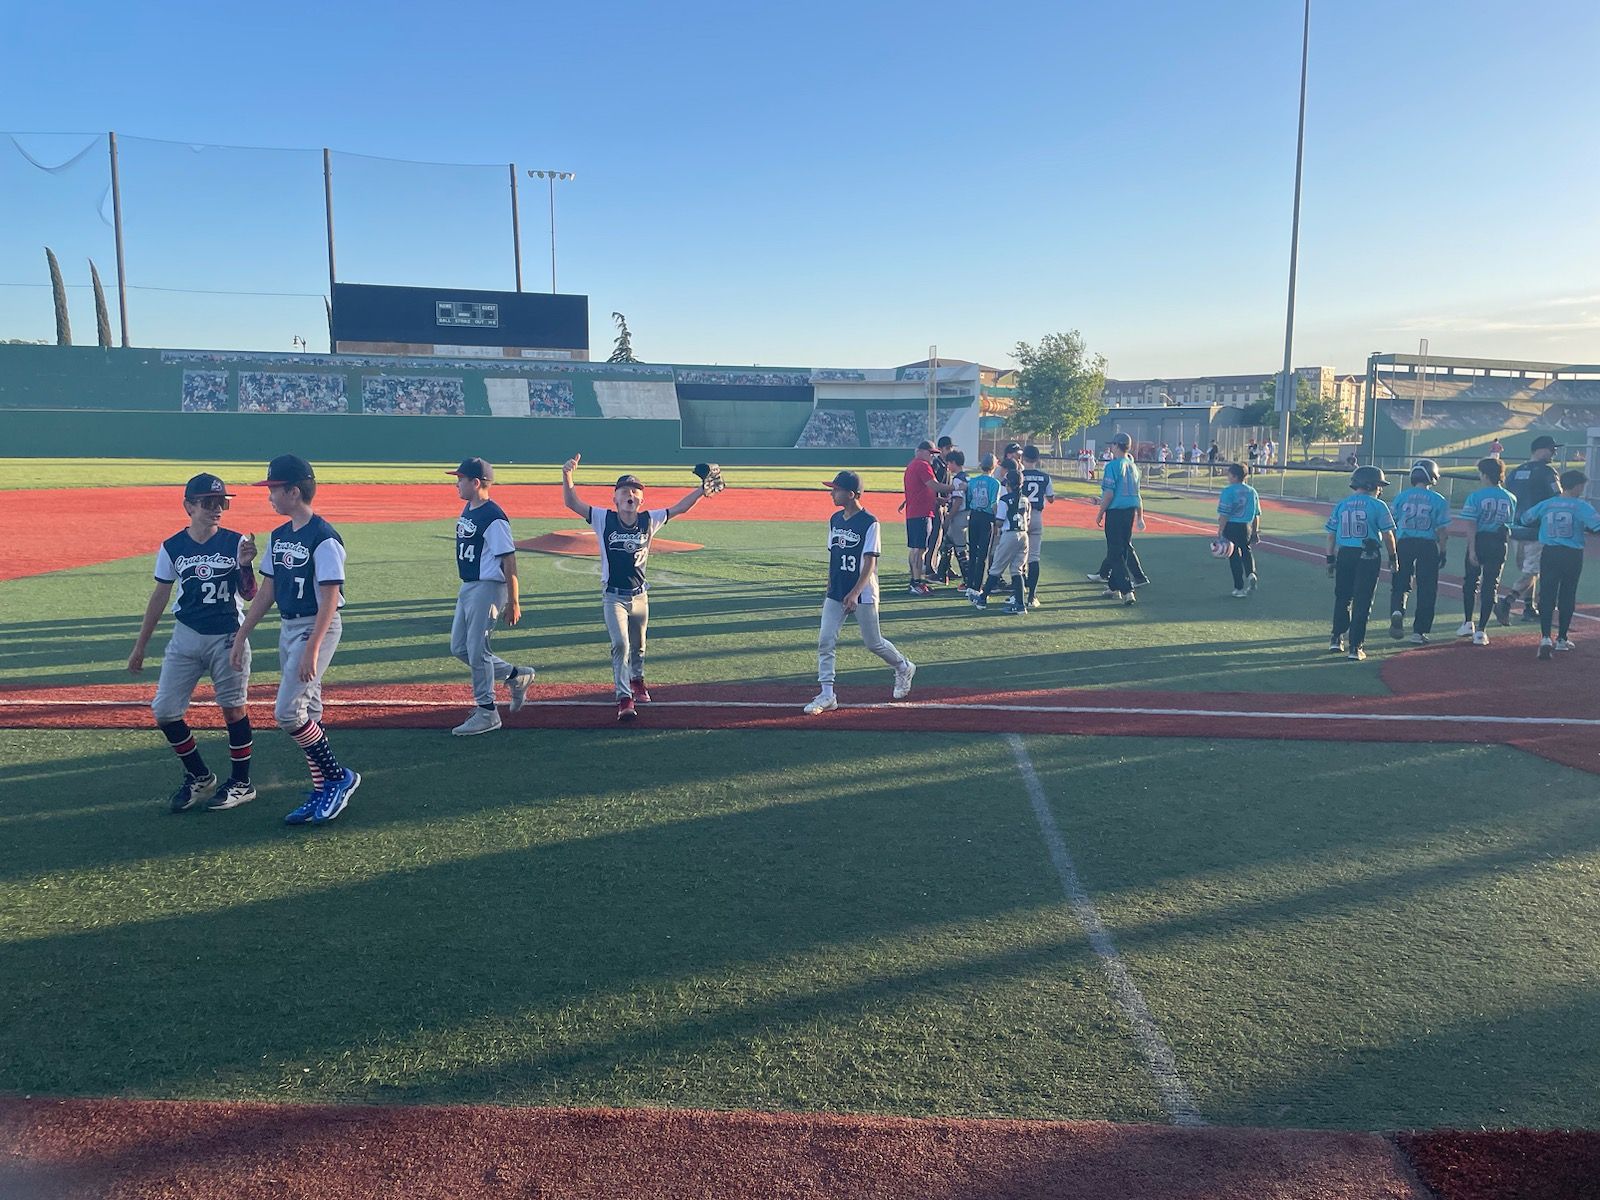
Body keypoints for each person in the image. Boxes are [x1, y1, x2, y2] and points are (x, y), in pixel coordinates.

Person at [230, 455, 360, 824]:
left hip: (316, 626)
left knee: (288, 713)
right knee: (309, 713)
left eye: (274, 489)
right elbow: (268, 589)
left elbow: (331, 597)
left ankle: (338, 778)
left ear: (294, 490)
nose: (269, 496)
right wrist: (242, 634)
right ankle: (323, 790)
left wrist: (313, 648)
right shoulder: (280, 535)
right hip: (290, 628)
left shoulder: (324, 537)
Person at [127, 473, 259, 813]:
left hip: (228, 635)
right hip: (185, 636)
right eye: (208, 502)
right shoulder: (172, 546)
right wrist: (141, 645)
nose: (216, 508)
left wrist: (245, 565)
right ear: (189, 506)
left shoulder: (235, 541)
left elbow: (249, 593)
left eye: (221, 502)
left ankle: (242, 783)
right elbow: (160, 595)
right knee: (165, 711)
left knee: (233, 708)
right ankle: (200, 777)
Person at [561, 454, 711, 721]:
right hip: (613, 597)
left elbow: (679, 508)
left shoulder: (649, 520)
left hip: (640, 595)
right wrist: (568, 475)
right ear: (615, 499)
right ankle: (624, 699)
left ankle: (637, 681)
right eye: (624, 491)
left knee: (639, 646)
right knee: (620, 644)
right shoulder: (602, 518)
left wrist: (701, 490)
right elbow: (572, 502)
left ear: (642, 500)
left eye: (635, 491)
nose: (630, 494)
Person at [804, 470, 916, 713]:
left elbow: (870, 562)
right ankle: (827, 695)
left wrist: (855, 593)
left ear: (852, 494)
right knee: (825, 640)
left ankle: (903, 666)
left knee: (873, 643)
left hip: (863, 591)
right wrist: (830, 586)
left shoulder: (870, 522)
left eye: (836, 489)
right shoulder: (835, 519)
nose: (831, 492)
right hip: (836, 590)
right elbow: (833, 556)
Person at [446, 458, 534, 736]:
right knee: (459, 647)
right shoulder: (470, 508)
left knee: (476, 650)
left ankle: (487, 712)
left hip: (488, 588)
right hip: (469, 586)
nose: (456, 483)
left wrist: (514, 600)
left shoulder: (493, 517)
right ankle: (515, 675)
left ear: (476, 482)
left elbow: (509, 561)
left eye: (460, 478)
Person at [1517, 469, 1600, 660]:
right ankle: (1562, 638)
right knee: (1567, 593)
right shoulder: (1581, 506)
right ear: (1578, 486)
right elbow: (1596, 526)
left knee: (1547, 593)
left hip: (1550, 552)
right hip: (1572, 553)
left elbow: (1526, 519)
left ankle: (1545, 636)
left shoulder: (1547, 504)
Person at [1324, 465, 1397, 662]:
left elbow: (1331, 535)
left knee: (1343, 597)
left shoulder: (1342, 505)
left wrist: (1330, 559)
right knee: (1363, 601)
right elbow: (1389, 535)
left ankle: (1336, 637)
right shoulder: (1378, 506)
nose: (1380, 489)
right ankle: (1355, 647)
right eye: (1379, 485)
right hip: (1368, 555)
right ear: (1371, 484)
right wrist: (1393, 558)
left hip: (1345, 553)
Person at [1497, 435, 1562, 626]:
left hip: (1516, 530)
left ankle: (1528, 607)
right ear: (1541, 449)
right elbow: (1558, 497)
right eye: (1552, 449)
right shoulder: (1547, 471)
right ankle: (1507, 601)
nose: (1554, 453)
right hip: (1537, 530)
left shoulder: (1516, 472)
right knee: (1532, 573)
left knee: (1528, 571)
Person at [1387, 459, 1451, 644]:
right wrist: (1443, 551)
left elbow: (1392, 524)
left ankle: (1397, 610)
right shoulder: (1438, 499)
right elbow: (1442, 530)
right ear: (1432, 476)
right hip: (1427, 545)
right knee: (1427, 589)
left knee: (1400, 582)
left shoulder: (1401, 497)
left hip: (1404, 543)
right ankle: (1419, 631)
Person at [1457, 457, 1517, 645]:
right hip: (1499, 543)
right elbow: (1509, 525)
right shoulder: (1510, 497)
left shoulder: (1476, 496)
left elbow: (1471, 525)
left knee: (1471, 582)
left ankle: (1468, 622)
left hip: (1480, 540)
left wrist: (1472, 549)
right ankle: (1482, 630)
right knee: (1490, 585)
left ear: (1484, 474)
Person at [1096, 433, 1145, 605]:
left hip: (1116, 512)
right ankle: (1113, 586)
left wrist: (1100, 512)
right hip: (1129, 511)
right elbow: (1138, 494)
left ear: (1117, 445)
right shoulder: (1133, 467)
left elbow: (1108, 494)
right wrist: (1140, 516)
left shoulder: (1113, 466)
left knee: (1115, 552)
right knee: (1122, 549)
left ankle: (1126, 589)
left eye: (1113, 445)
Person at [975, 465, 1029, 614]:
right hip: (1024, 535)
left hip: (1010, 534)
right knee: (1017, 570)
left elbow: (999, 521)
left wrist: (994, 513)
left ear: (1009, 484)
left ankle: (982, 598)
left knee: (996, 568)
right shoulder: (1025, 499)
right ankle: (1020, 605)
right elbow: (1027, 519)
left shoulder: (1005, 500)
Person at [900, 441, 952, 596]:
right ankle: (916, 583)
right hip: (921, 512)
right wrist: (956, 487)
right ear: (921, 451)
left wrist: (936, 500)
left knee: (915, 548)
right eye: (930, 453)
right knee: (920, 549)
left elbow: (921, 490)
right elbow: (934, 485)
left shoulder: (912, 465)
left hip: (915, 512)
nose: (932, 456)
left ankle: (915, 581)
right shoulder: (922, 465)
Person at [1215, 463, 1260, 597]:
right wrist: (1255, 531)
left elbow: (1224, 513)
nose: (1228, 477)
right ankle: (1251, 573)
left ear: (1234, 476)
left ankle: (1239, 588)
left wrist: (1220, 530)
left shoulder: (1228, 491)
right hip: (1246, 525)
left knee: (1233, 555)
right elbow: (1257, 514)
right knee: (1246, 550)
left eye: (1229, 474)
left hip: (1231, 525)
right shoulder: (1252, 491)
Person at [1020, 444, 1056, 608]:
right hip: (1036, 516)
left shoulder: (1017, 475)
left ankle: (1018, 594)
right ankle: (1032, 597)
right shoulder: (1045, 477)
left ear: (1022, 458)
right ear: (1037, 459)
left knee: (1018, 556)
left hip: (1019, 517)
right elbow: (1051, 498)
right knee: (1033, 557)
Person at [963, 453, 1000, 595]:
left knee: (972, 551)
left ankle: (969, 584)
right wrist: (997, 522)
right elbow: (993, 503)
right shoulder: (994, 483)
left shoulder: (972, 481)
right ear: (994, 466)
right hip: (986, 517)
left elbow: (969, 498)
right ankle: (977, 586)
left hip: (974, 516)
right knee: (983, 553)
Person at [938, 449, 970, 588]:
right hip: (965, 515)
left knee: (960, 549)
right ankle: (942, 575)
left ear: (953, 463)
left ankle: (969, 581)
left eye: (949, 463)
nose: (947, 466)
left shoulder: (958, 479)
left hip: (958, 516)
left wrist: (949, 517)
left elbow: (957, 500)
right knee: (947, 545)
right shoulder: (966, 477)